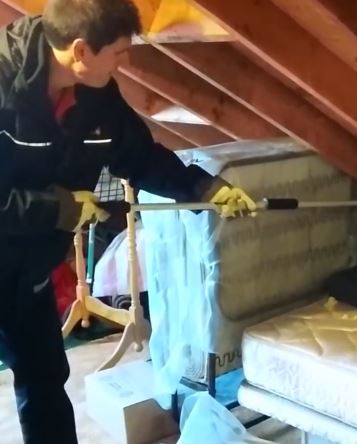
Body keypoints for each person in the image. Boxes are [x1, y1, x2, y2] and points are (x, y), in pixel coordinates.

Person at [0, 1, 255, 443]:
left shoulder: (96, 94)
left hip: (29, 269)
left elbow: (139, 155)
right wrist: (56, 208)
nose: (126, 61)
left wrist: (203, 188)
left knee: (43, 378)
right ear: (81, 51)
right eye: (119, 52)